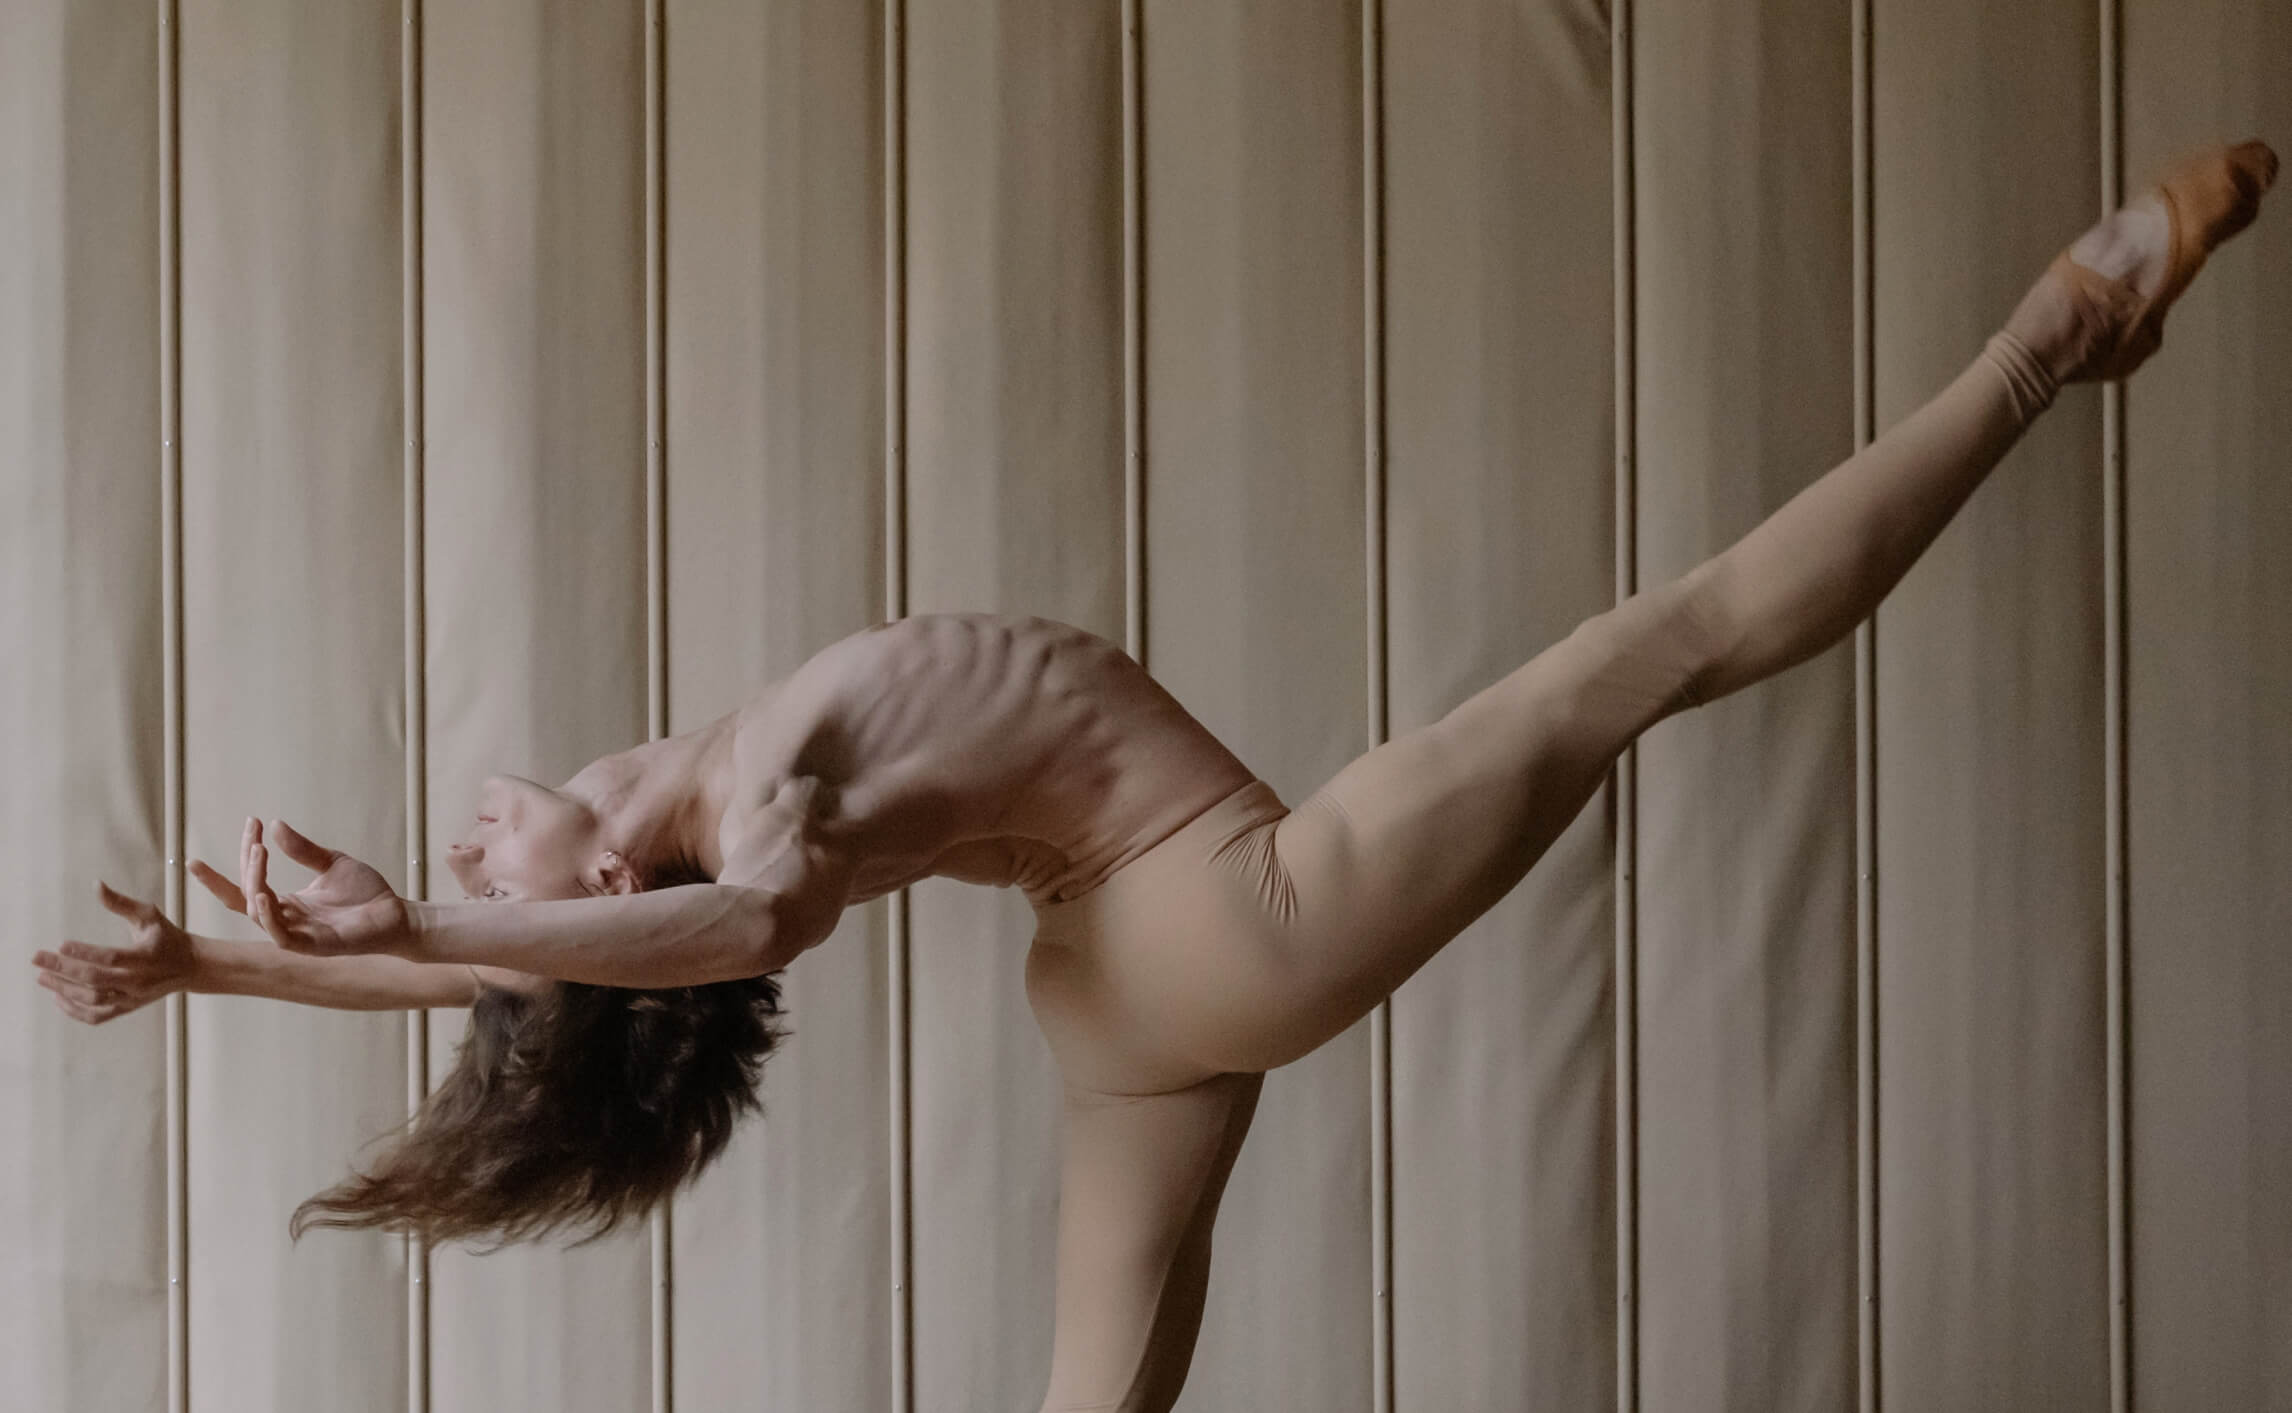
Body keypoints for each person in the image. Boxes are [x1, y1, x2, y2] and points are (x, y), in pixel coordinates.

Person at [28, 140, 2277, 1413]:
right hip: (1219, 912)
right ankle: (2058, 334)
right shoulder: (754, 818)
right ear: (599, 896)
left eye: (481, 883)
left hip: (1113, 979)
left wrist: (227, 969)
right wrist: (430, 919)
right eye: (496, 883)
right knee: (1646, 652)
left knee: (1096, 1396)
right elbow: (696, 934)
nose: (467, 839)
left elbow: (545, 972)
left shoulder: (675, 814)